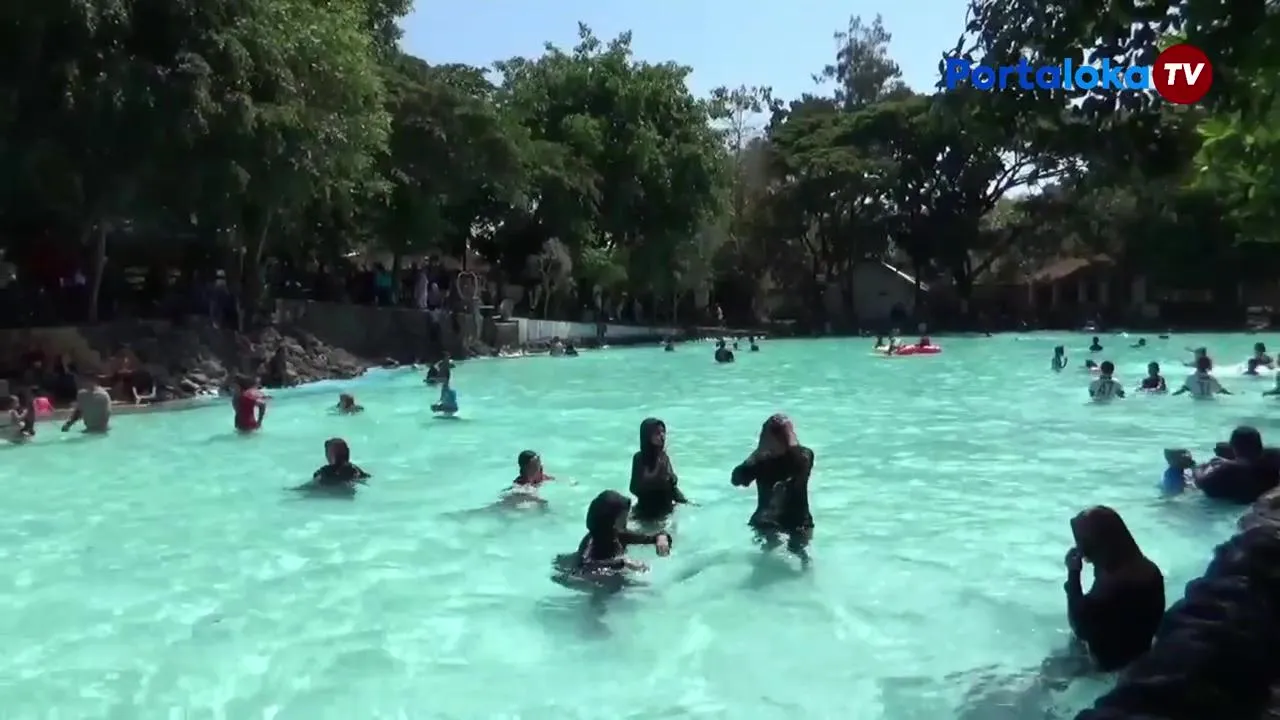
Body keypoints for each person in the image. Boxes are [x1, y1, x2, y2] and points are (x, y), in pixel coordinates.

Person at [1064, 506, 1165, 672]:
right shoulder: (1149, 569)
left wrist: (1073, 574)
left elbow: (1079, 626)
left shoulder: (1110, 588)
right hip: (1141, 652)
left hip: (1106, 664)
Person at [731, 414, 815, 564]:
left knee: (801, 553)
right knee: (767, 555)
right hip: (767, 520)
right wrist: (757, 453)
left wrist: (762, 452)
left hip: (799, 520)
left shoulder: (802, 456)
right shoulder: (760, 460)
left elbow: (802, 463)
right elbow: (737, 480)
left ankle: (808, 574)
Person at [554, 490, 672, 582]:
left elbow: (648, 537)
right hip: (592, 581)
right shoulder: (592, 541)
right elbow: (585, 566)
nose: (627, 518)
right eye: (624, 516)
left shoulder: (618, 534)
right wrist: (623, 563)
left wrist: (661, 538)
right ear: (613, 521)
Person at [1193, 425, 1280, 504]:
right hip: (1261, 496)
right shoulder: (1274, 457)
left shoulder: (1227, 469)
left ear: (1233, 447)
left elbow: (1201, 483)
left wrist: (1198, 468)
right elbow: (1252, 461)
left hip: (1229, 506)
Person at [629, 418, 690, 525]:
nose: (662, 435)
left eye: (663, 432)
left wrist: (686, 502)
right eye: (657, 433)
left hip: (666, 512)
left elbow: (672, 487)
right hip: (644, 512)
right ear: (647, 436)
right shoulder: (639, 458)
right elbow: (633, 488)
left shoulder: (664, 457)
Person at [302, 438, 370, 492]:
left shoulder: (325, 472)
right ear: (348, 453)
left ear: (329, 455)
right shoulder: (357, 471)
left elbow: (307, 488)